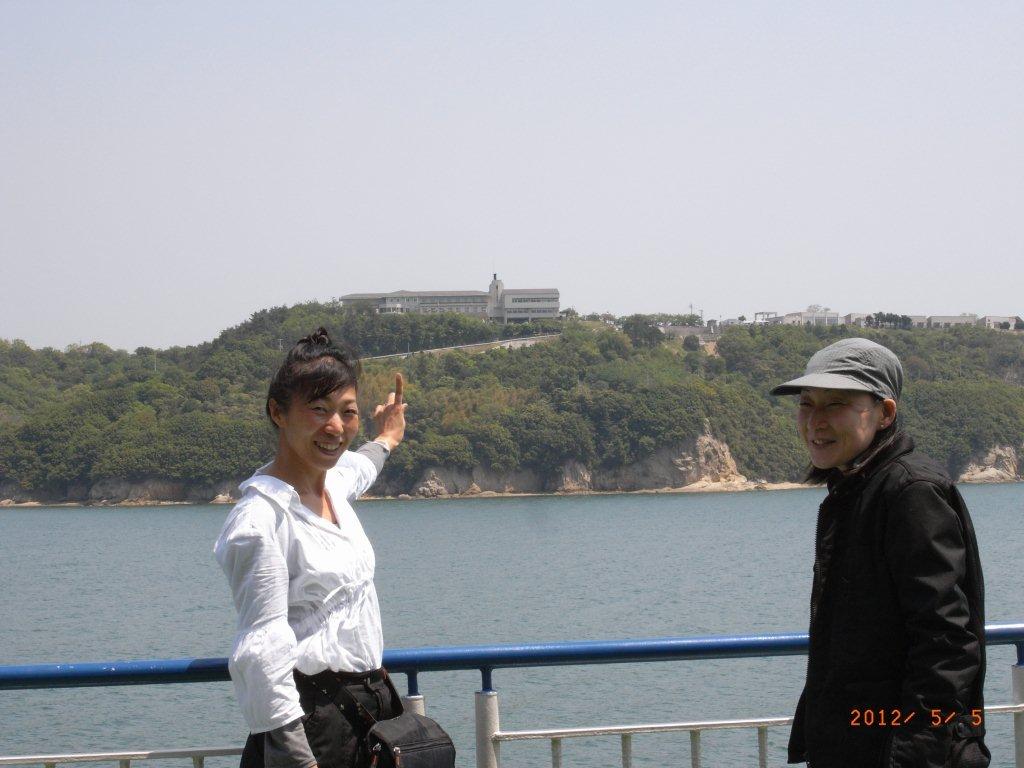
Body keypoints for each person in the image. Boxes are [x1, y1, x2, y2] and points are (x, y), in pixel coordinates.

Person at [772, 337, 989, 768]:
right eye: (806, 404)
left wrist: (912, 752)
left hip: (898, 752)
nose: (815, 421)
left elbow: (946, 639)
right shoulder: (856, 489)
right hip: (858, 744)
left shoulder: (910, 492)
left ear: (885, 413)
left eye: (835, 404)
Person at [215, 327, 407, 768]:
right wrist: (297, 758)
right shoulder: (260, 519)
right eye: (318, 409)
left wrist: (388, 437)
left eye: (347, 411)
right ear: (278, 412)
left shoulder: (331, 485)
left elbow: (361, 466)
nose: (335, 426)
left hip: (369, 712)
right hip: (313, 723)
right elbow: (262, 647)